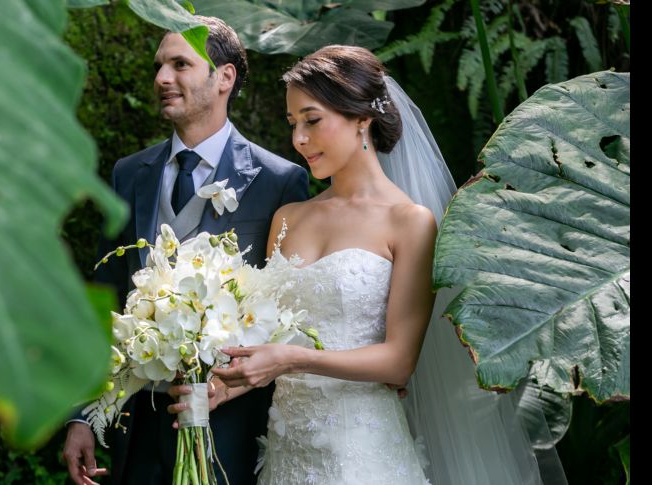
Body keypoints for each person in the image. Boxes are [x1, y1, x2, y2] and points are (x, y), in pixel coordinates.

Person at [209, 45, 563, 484]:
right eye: (292, 123)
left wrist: (288, 359)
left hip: (363, 451)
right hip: (288, 450)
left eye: (312, 120)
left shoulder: (410, 222)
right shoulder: (289, 218)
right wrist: (230, 383)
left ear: (362, 118)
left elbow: (398, 361)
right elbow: (268, 337)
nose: (298, 139)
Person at [62, 16, 309, 485]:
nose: (161, 79)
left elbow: (286, 315)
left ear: (225, 78)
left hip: (229, 434)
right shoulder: (129, 174)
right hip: (135, 428)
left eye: (179, 64)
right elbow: (104, 301)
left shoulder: (280, 181)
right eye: (159, 66)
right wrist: (82, 414)